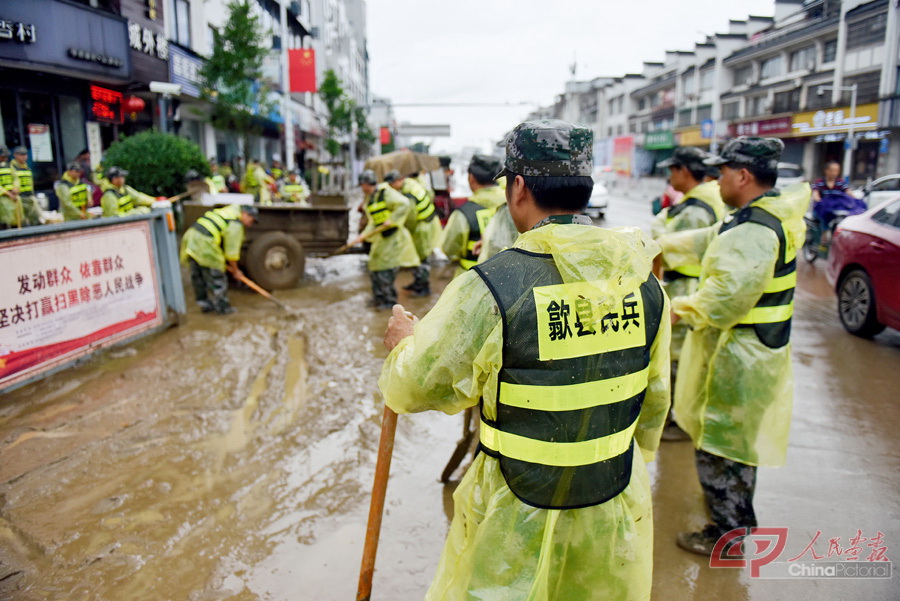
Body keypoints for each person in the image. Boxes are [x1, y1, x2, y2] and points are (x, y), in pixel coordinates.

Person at [380, 119, 670, 601]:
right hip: (613, 494)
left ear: (518, 187)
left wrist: (405, 343)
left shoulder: (494, 285)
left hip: (514, 504)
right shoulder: (643, 280)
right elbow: (654, 398)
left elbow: (416, 387)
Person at [655, 137, 809, 556]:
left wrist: (676, 308)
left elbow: (724, 301)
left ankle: (727, 535)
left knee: (722, 446)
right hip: (754, 352)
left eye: (722, 172)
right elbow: (706, 241)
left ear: (743, 176)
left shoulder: (755, 230)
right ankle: (733, 522)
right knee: (733, 445)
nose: (716, 178)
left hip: (740, 356)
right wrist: (656, 243)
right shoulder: (756, 216)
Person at [651, 147, 727, 441]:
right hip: (688, 286)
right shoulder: (699, 203)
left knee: (678, 358)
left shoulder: (696, 210)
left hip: (686, 287)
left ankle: (680, 420)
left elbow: (668, 248)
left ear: (684, 171)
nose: (670, 176)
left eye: (672, 170)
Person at [179, 204, 258, 314]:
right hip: (205, 242)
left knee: (198, 275)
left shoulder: (228, 211)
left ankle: (205, 305)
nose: (250, 224)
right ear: (245, 214)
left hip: (191, 237)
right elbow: (232, 252)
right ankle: (223, 308)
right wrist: (236, 271)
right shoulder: (235, 224)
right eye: (251, 220)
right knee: (217, 275)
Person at [358, 170, 419, 309]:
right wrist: (364, 235)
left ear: (365, 184)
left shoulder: (386, 192)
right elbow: (373, 222)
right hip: (381, 237)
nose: (362, 188)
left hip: (394, 236)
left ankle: (389, 301)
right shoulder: (370, 198)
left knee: (386, 269)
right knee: (374, 266)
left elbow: (404, 204)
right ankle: (378, 297)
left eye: (362, 184)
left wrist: (392, 220)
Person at [441, 154, 506, 276]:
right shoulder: (512, 206)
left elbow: (448, 248)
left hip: (471, 278)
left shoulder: (464, 213)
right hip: (505, 276)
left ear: (471, 178)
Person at [385, 169, 441, 296]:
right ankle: (418, 282)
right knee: (418, 255)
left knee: (420, 257)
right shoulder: (412, 183)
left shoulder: (408, 194)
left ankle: (423, 288)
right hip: (428, 222)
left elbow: (410, 218)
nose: (391, 188)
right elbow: (430, 194)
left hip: (421, 227)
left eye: (392, 185)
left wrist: (400, 228)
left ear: (398, 181)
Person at [10, 146, 42, 226]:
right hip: (20, 197)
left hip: (29, 196)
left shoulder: (26, 167)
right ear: (15, 155)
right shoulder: (12, 167)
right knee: (22, 221)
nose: (24, 157)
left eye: (25, 155)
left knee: (36, 218)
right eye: (21, 155)